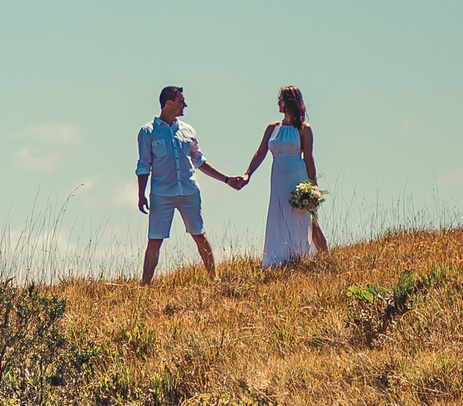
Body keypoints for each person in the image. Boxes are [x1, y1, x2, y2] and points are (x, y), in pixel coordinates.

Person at [136, 85, 245, 284]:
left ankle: (214, 278)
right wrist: (141, 194)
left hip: (189, 191)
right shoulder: (147, 132)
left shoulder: (188, 130)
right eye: (181, 101)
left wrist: (227, 179)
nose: (185, 104)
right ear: (169, 103)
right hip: (162, 194)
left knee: (199, 234)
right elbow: (143, 166)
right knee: (155, 240)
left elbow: (200, 161)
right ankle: (145, 284)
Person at [238, 85, 329, 266]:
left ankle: (323, 258)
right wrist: (248, 174)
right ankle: (279, 259)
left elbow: (309, 158)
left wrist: (314, 185)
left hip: (297, 177)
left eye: (280, 99)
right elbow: (260, 152)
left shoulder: (304, 129)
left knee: (306, 217)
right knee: (279, 216)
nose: (278, 103)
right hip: (278, 180)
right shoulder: (273, 128)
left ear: (289, 102)